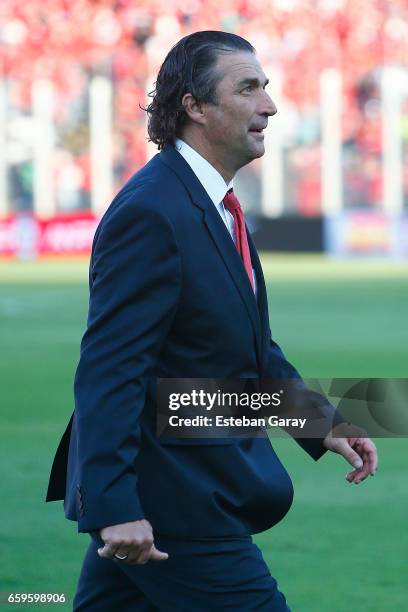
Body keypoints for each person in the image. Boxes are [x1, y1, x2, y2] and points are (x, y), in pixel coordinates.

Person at [46, 31, 378, 611]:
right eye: (248, 89)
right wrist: (116, 506)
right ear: (194, 106)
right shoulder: (153, 211)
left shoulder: (210, 202)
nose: (269, 107)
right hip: (180, 503)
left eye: (266, 89)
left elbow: (244, 351)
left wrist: (321, 421)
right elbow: (110, 370)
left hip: (185, 489)